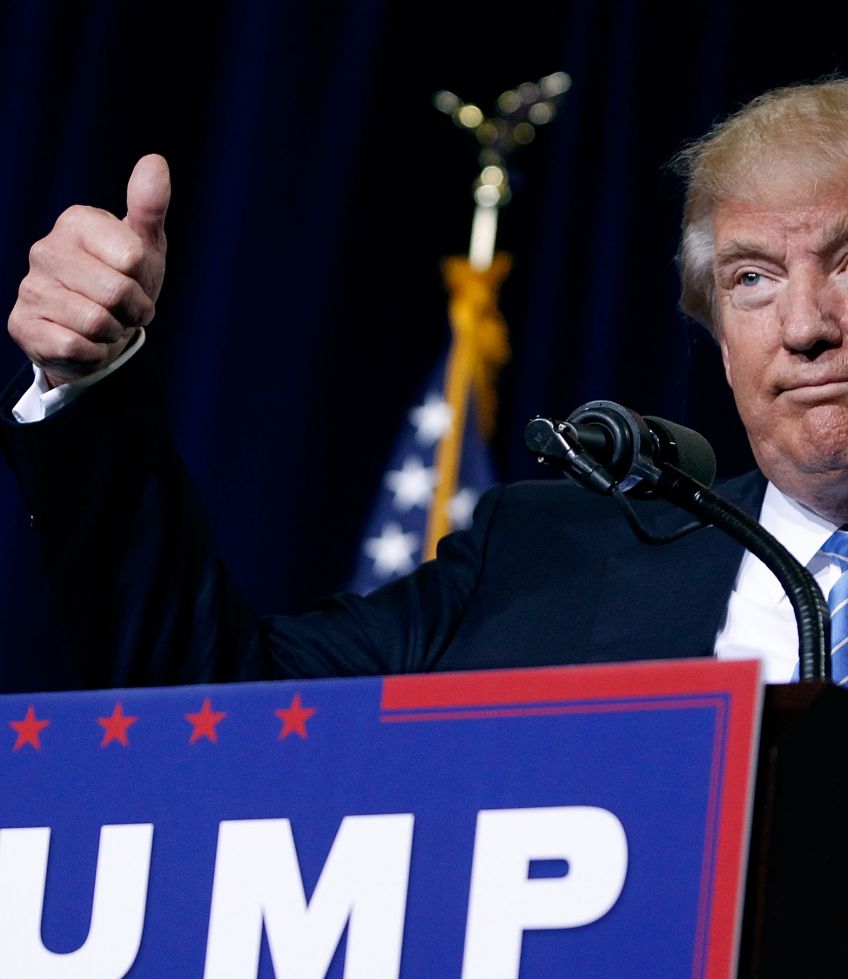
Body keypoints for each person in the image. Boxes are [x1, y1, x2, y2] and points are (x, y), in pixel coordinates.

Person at [3, 77, 848, 690]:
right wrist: (91, 382)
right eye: (751, 279)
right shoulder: (550, 559)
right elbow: (215, 696)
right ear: (718, 332)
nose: (806, 327)